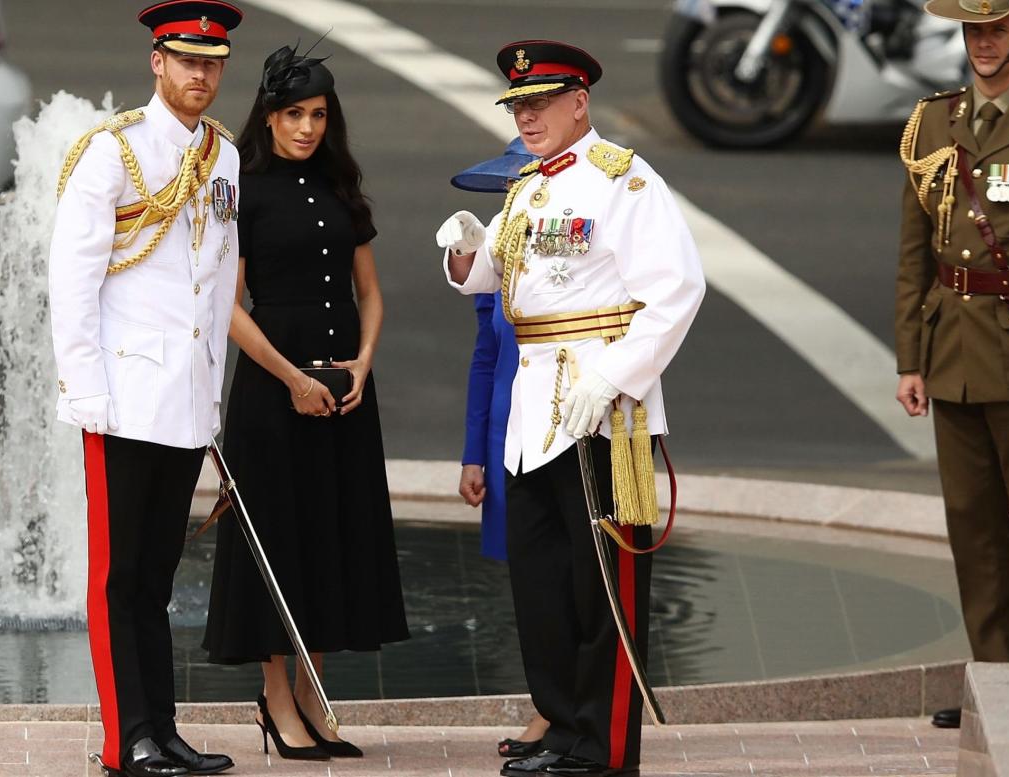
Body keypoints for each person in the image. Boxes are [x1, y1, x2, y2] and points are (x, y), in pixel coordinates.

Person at [437, 41, 705, 777]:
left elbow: (678, 289)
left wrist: (616, 375)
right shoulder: (527, 187)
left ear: (578, 102)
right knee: (544, 583)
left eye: (541, 103)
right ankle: (563, 722)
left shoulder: (624, 180)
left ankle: (605, 745)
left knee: (604, 591)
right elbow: (495, 275)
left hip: (606, 415)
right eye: (518, 105)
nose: (527, 116)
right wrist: (465, 252)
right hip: (534, 417)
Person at [48, 2, 244, 775]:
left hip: (185, 402)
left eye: (213, 62)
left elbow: (218, 281)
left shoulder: (223, 158)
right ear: (156, 63)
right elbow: (73, 281)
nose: (201, 75)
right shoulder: (111, 153)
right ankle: (124, 739)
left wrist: (213, 400)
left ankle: (160, 729)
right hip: (123, 396)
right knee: (117, 577)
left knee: (156, 578)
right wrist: (86, 390)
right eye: (186, 60)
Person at [201, 43, 410, 761]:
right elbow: (227, 306)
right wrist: (291, 375)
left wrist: (364, 364)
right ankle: (276, 697)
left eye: (319, 115)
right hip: (271, 384)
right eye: (294, 114)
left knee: (335, 530)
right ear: (269, 115)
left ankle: (317, 694)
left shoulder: (340, 186)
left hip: (345, 387)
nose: (307, 127)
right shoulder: (243, 188)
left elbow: (372, 294)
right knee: (276, 535)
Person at [894, 0, 1009, 731]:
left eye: (997, 30)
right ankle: (996, 676)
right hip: (951, 347)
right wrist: (910, 357)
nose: (983, 44)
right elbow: (913, 251)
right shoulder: (933, 120)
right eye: (972, 32)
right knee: (973, 525)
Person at [453, 139, 551, 759]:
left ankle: (561, 708)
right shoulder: (503, 246)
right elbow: (486, 357)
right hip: (504, 436)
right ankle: (548, 701)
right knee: (530, 583)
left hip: (561, 430)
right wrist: (472, 454)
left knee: (564, 579)